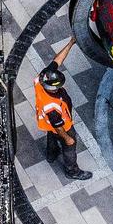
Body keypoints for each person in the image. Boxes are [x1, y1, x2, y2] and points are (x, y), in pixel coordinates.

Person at [34, 39, 92, 181]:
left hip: (48, 123)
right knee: (69, 146)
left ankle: (51, 154)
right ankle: (72, 171)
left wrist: (71, 43)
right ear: (53, 88)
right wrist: (68, 138)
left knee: (52, 135)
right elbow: (58, 126)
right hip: (63, 126)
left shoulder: (41, 79)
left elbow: (57, 60)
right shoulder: (51, 107)